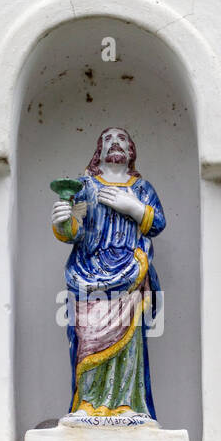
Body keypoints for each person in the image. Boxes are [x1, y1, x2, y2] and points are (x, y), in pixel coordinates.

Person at [50, 126, 165, 424]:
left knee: (129, 345)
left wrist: (135, 208)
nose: (116, 143)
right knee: (88, 337)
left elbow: (157, 223)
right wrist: (63, 220)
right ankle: (88, 403)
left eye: (123, 139)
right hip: (89, 276)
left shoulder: (141, 188)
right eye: (109, 139)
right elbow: (75, 230)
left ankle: (128, 403)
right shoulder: (85, 187)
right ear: (99, 152)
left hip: (131, 277)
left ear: (131, 151)